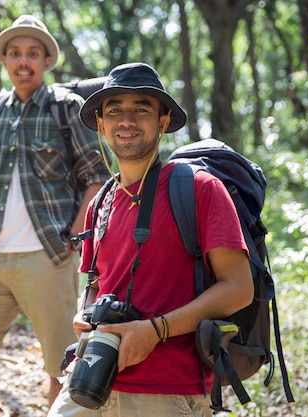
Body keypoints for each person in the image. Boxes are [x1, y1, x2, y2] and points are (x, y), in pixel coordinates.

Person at [47, 62, 254, 417]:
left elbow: (238, 288)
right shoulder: (100, 204)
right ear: (101, 123)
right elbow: (97, 285)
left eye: (141, 108)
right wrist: (86, 316)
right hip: (93, 379)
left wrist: (156, 330)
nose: (126, 120)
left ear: (161, 121)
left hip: (168, 388)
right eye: (114, 110)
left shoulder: (199, 188)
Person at [0, 15, 111, 417]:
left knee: (61, 366)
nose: (23, 61)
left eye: (33, 53)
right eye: (15, 53)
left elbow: (96, 178)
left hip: (48, 256)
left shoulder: (66, 109)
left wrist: (73, 238)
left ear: (47, 60)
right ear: (4, 61)